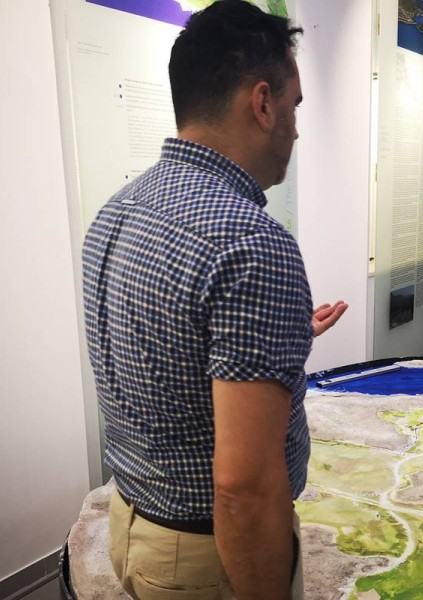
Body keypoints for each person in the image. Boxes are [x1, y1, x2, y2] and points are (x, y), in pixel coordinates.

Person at [82, 2, 347, 598]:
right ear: (262, 103)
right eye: (295, 106)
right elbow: (243, 489)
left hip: (134, 527)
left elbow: (163, 350)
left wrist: (282, 333)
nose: (296, 129)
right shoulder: (250, 242)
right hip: (210, 559)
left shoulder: (117, 210)